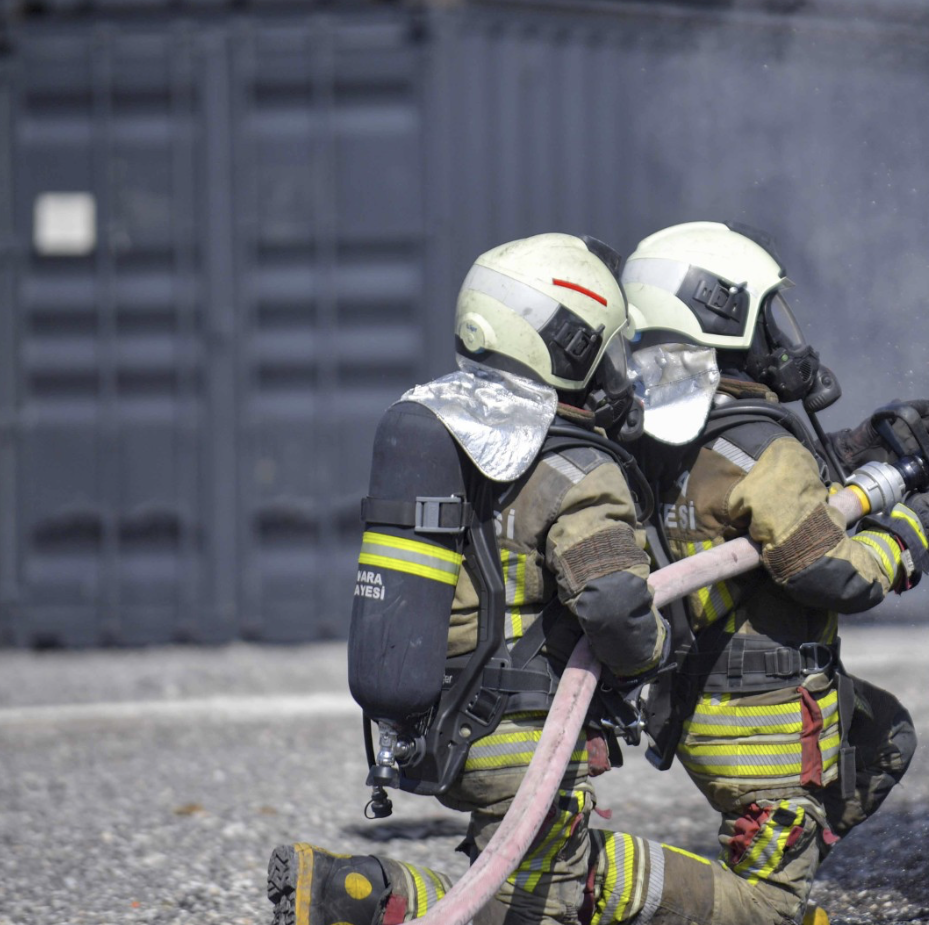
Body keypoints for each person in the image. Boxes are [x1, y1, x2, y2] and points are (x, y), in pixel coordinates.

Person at [266, 233, 669, 925]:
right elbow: (610, 602)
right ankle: (354, 891)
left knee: (516, 886)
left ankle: (353, 893)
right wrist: (654, 652)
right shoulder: (576, 468)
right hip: (525, 734)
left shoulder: (444, 435)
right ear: (570, 346)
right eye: (604, 349)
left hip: (442, 726)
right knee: (538, 909)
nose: (614, 372)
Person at [576, 221, 929, 925]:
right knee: (766, 909)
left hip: (693, 704)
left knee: (883, 733)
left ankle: (770, 862)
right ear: (724, 322)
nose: (780, 340)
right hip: (764, 722)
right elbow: (833, 571)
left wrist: (858, 448)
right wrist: (915, 532)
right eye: (765, 318)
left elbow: (740, 500)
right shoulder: (762, 447)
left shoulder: (658, 431)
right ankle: (591, 881)